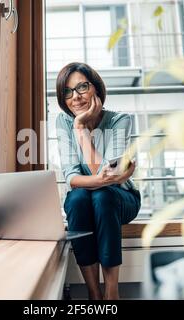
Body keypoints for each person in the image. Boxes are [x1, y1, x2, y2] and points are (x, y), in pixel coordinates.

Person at [55, 62, 141, 300]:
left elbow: (106, 174)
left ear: (95, 88)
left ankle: (112, 292)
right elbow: (72, 177)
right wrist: (108, 178)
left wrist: (81, 129)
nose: (76, 96)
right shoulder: (63, 122)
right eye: (68, 91)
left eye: (82, 87)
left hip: (122, 199)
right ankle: (94, 292)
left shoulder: (119, 120)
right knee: (78, 200)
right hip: (90, 197)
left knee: (102, 196)